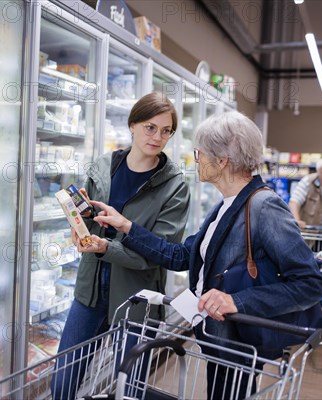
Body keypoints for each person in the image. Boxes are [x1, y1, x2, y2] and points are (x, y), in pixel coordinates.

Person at [75, 111, 322, 399]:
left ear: (222, 161)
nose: (196, 159)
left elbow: (309, 282)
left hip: (241, 342)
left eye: (199, 153)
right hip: (219, 337)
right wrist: (126, 226)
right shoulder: (226, 205)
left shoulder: (264, 207)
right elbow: (181, 256)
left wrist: (235, 300)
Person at [50, 92, 190, 400]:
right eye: (150, 127)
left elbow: (156, 255)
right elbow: (90, 224)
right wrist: (79, 227)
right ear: (132, 125)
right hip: (89, 291)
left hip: (137, 300)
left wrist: (105, 247)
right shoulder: (104, 166)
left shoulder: (174, 185)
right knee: (62, 383)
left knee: (130, 388)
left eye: (166, 131)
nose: (158, 137)